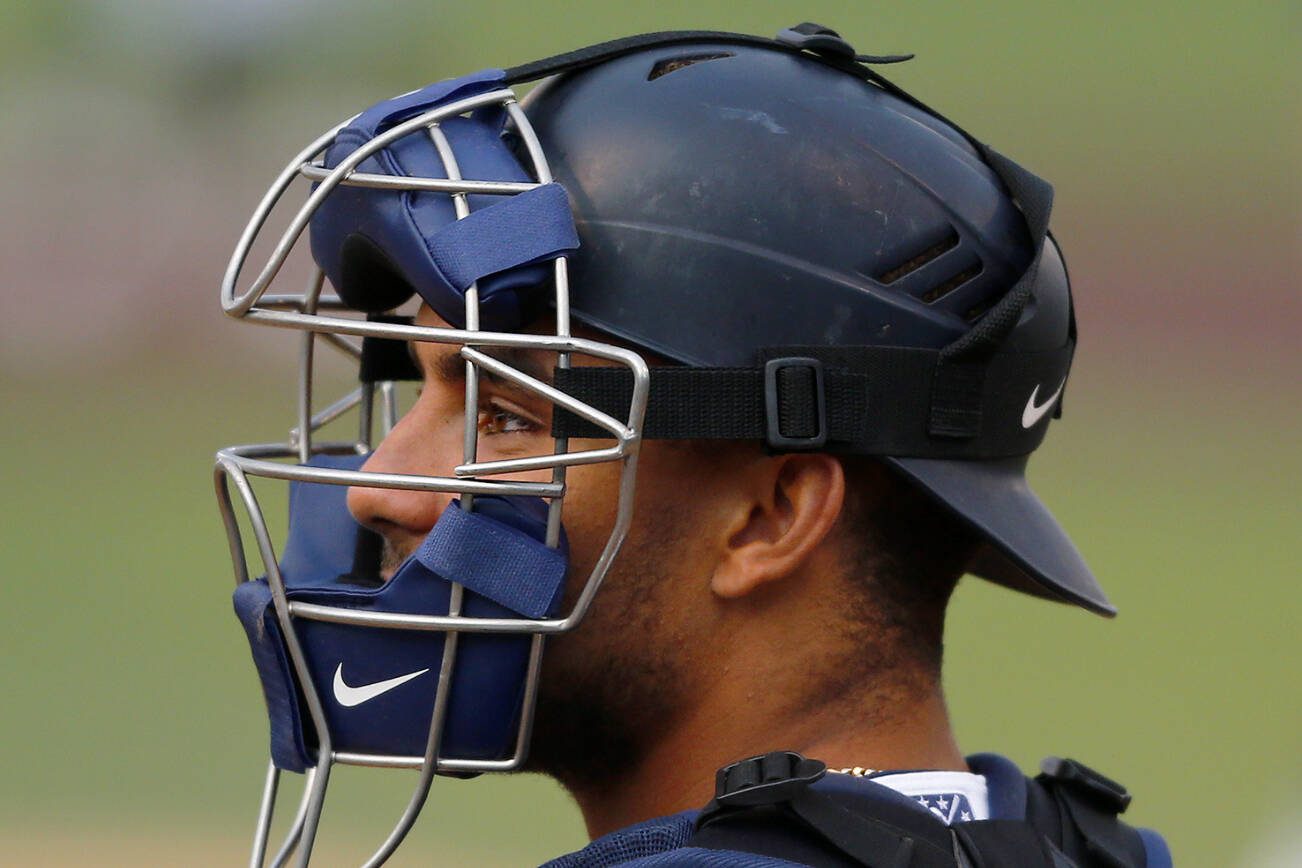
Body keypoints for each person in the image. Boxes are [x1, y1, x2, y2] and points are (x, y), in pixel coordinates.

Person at [216, 24, 1173, 867]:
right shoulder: (1076, 848)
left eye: (507, 416)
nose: (377, 488)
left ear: (770, 517)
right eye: (420, 396)